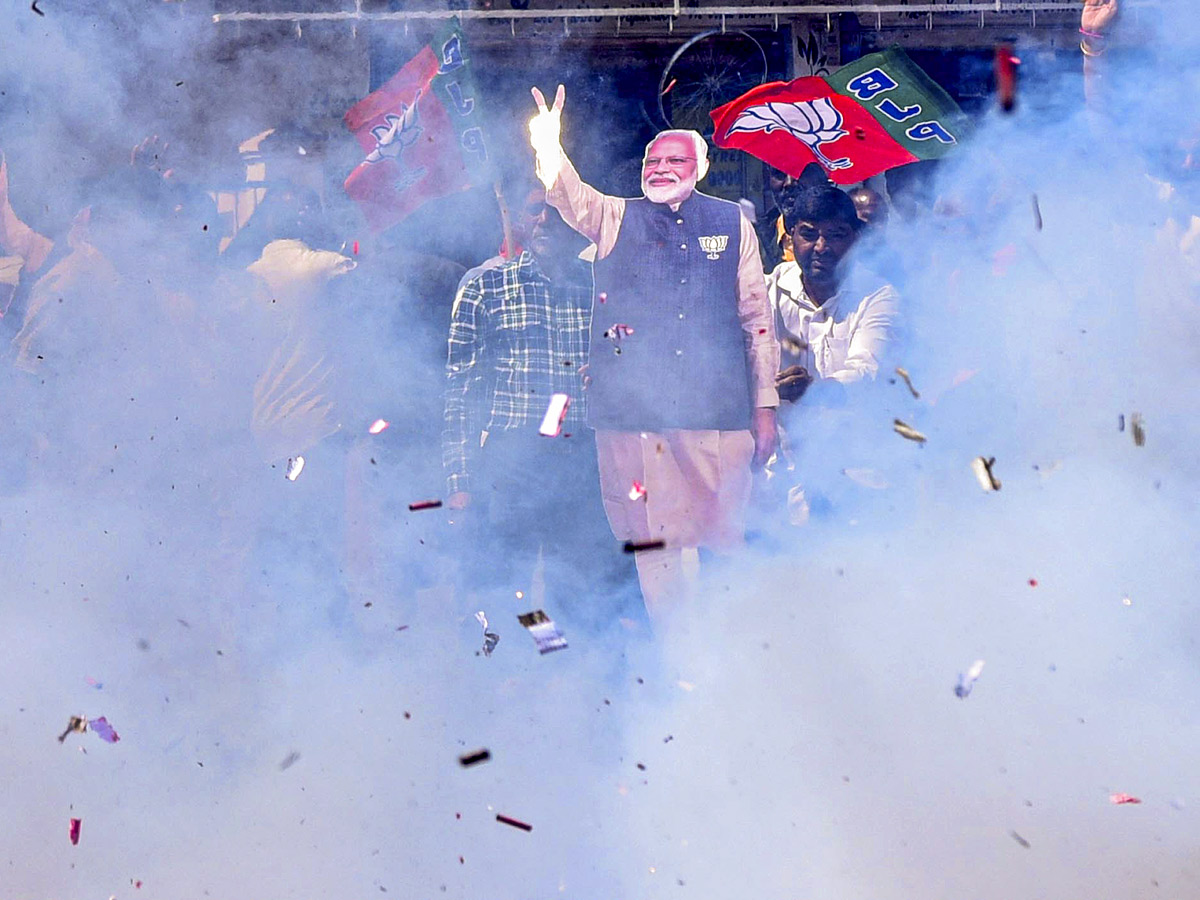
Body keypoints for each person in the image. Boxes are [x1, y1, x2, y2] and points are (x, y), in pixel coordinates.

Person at [527, 84, 779, 621]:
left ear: (700, 167)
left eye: (674, 160)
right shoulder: (615, 216)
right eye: (653, 159)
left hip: (717, 411)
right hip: (637, 417)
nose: (661, 167)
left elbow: (757, 320)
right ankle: (673, 660)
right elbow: (568, 194)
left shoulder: (733, 224)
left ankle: (731, 658)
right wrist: (548, 144)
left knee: (724, 543)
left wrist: (765, 408)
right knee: (656, 548)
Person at [442, 193, 635, 631]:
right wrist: (460, 484)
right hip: (513, 464)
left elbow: (636, 371)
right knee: (508, 593)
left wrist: (615, 368)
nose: (545, 219)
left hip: (584, 461)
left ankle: (580, 681)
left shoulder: (602, 286)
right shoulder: (484, 286)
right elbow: (461, 396)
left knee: (586, 592)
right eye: (533, 209)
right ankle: (519, 679)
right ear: (518, 218)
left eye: (556, 209)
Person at [765, 181, 900, 523]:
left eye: (836, 235)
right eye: (809, 234)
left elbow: (867, 370)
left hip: (859, 481)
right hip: (782, 482)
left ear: (856, 238)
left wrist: (818, 391)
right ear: (790, 235)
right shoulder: (766, 291)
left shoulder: (878, 296)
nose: (821, 247)